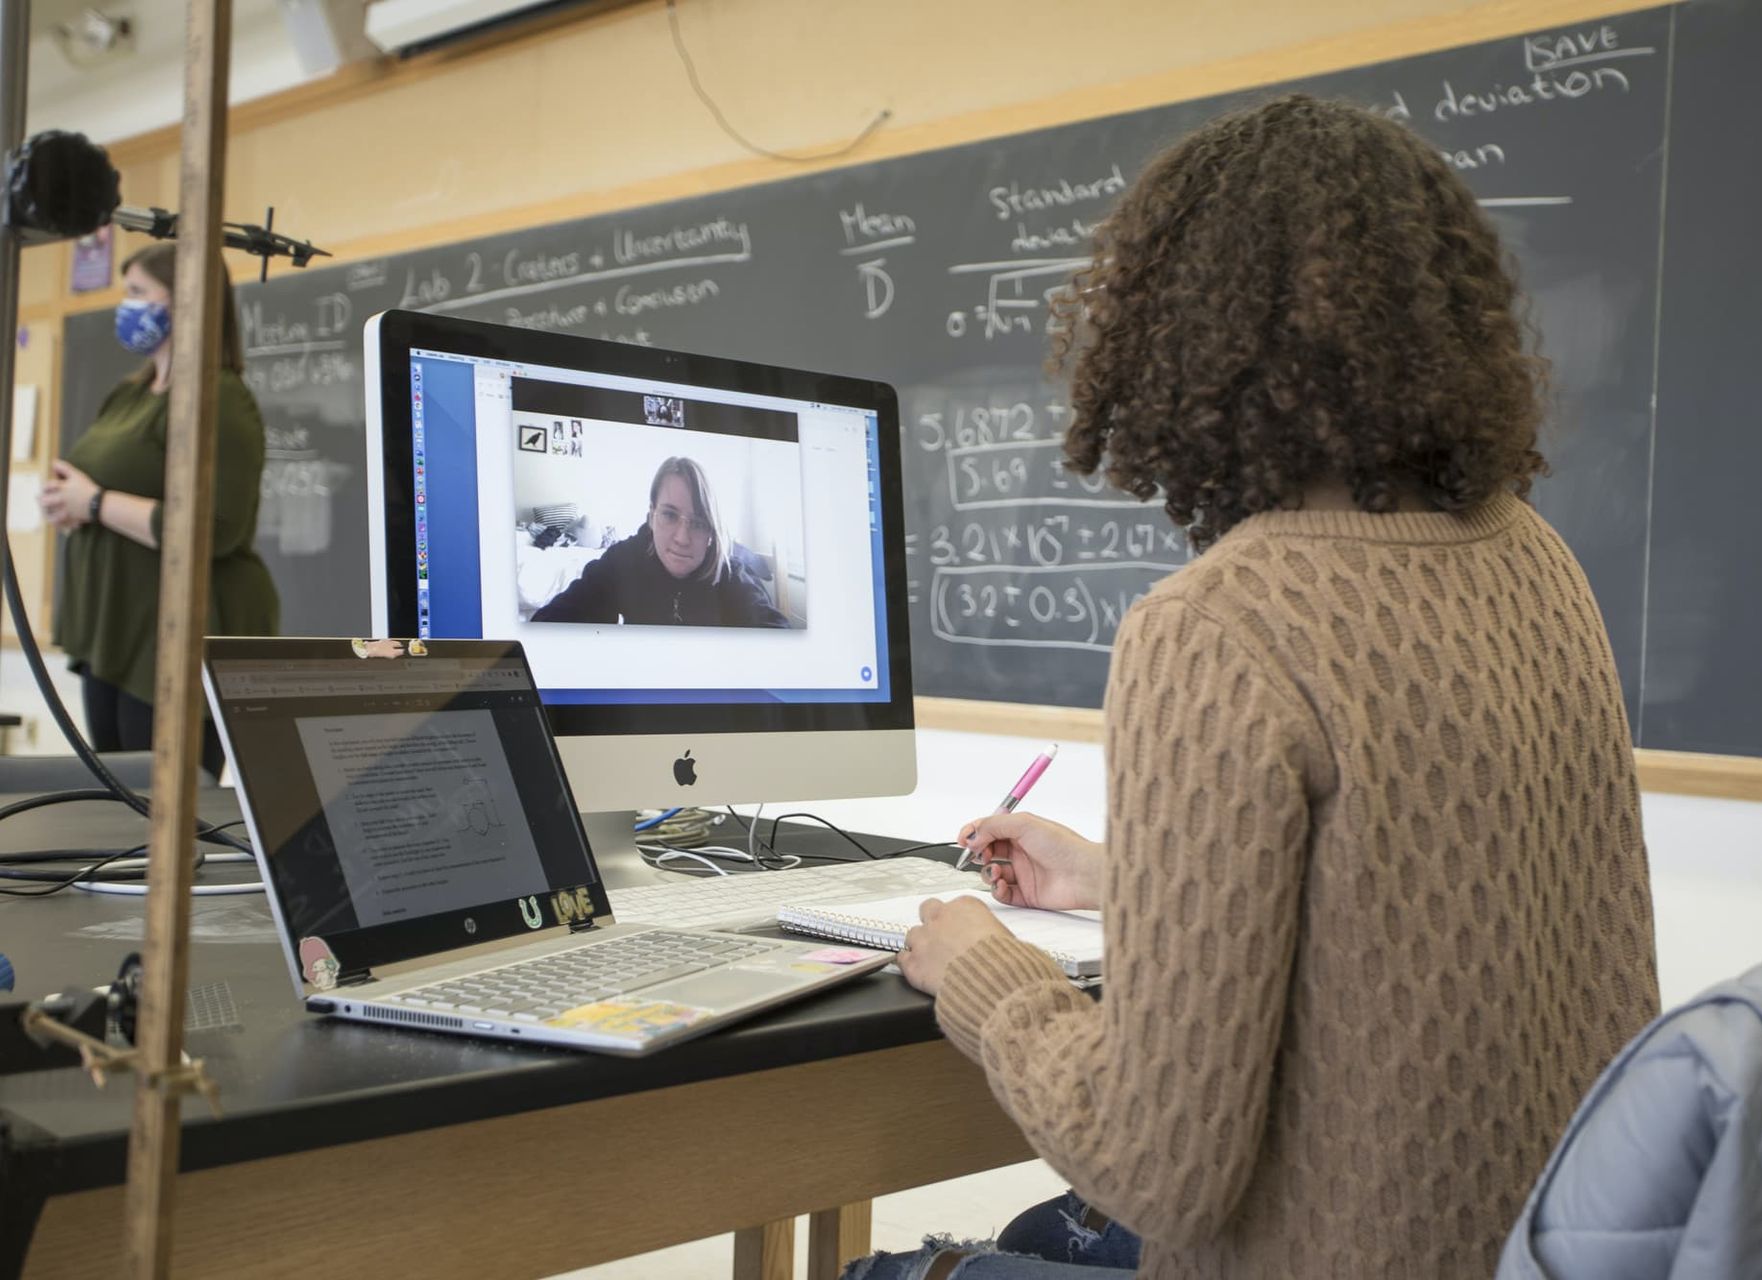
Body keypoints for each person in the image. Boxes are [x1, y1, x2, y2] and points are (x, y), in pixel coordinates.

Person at [845, 94, 1660, 1280]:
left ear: (1174, 337)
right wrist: (1127, 877)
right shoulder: (1536, 558)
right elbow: (1406, 904)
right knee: (1035, 1235)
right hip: (1535, 1249)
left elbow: (1159, 1161)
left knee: (894, 1269)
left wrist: (985, 972)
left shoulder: (1218, 626)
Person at [42, 244, 278, 782]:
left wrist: (96, 503)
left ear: (186, 299)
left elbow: (215, 527)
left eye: (138, 294)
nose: (126, 307)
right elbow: (101, 485)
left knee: (166, 811)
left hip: (174, 635)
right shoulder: (130, 394)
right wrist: (68, 503)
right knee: (116, 811)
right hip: (113, 630)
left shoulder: (219, 398)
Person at [530, 455, 790, 628]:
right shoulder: (624, 561)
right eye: (669, 515)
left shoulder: (731, 574)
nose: (681, 538)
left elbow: (779, 642)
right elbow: (550, 623)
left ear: (711, 531)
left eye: (698, 522)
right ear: (652, 515)